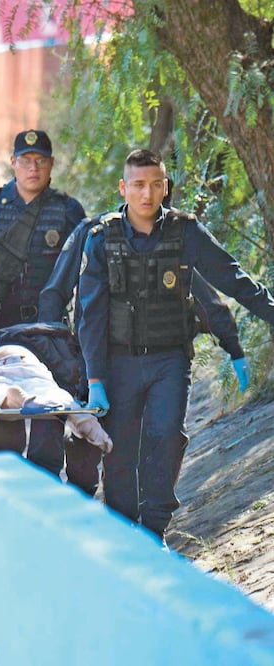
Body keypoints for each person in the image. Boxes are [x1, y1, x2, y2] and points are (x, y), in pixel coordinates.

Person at [78, 148, 274, 541]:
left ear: (165, 186)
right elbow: (90, 315)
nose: (147, 194)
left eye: (155, 185)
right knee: (120, 450)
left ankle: (154, 530)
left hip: (170, 360)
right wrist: (95, 378)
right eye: (138, 185)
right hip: (119, 364)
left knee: (167, 437)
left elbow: (232, 279)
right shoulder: (102, 239)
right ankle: (122, 531)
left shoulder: (186, 232)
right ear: (124, 187)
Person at [38, 213, 250, 496]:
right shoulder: (94, 234)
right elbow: (53, 296)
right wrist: (59, 362)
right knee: (86, 447)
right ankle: (85, 511)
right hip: (91, 363)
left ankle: (145, 523)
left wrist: (232, 346)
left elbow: (204, 296)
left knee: (159, 441)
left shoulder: (169, 239)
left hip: (152, 361)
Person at [0, 129, 85, 476]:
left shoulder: (67, 211)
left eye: (40, 161)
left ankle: (46, 485)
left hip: (47, 332)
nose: (33, 168)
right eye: (25, 161)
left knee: (48, 415)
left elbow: (86, 273)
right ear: (13, 164)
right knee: (4, 422)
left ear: (51, 166)